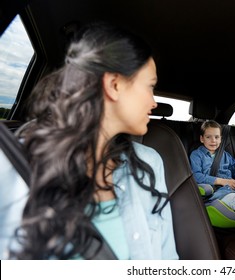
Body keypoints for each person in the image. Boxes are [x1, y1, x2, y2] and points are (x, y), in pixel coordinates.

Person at [6, 22, 178, 260]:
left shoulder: (150, 163)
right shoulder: (15, 165)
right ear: (114, 85)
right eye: (150, 87)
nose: (154, 102)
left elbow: (167, 259)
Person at [190, 120, 235, 232]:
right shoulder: (197, 155)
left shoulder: (225, 155)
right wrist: (221, 181)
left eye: (216, 137)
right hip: (219, 192)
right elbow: (197, 176)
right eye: (208, 137)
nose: (213, 140)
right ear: (202, 139)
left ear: (220, 139)